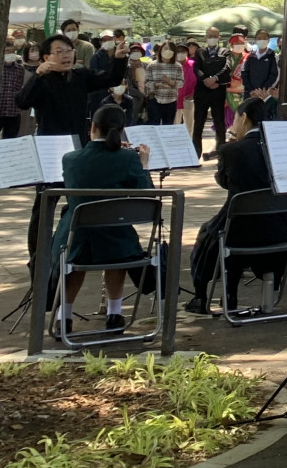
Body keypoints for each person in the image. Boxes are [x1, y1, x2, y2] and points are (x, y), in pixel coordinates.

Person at [51, 104, 154, 336]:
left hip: (77, 236)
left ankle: (64, 316)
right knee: (116, 242)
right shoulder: (128, 159)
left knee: (75, 255)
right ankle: (115, 313)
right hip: (118, 239)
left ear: (93, 127)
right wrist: (143, 163)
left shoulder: (71, 159)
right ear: (121, 130)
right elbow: (145, 193)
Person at [186, 97, 287, 314]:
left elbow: (226, 182)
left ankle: (204, 295)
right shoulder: (281, 147)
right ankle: (235, 296)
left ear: (243, 118)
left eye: (235, 119)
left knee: (210, 231)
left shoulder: (231, 150)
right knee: (230, 226)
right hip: (277, 228)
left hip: (239, 229)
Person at [18, 34, 125, 138]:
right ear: (46, 57)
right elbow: (22, 102)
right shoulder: (41, 80)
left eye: (69, 51)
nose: (66, 55)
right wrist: (37, 75)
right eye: (59, 51)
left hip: (78, 140)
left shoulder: (81, 76)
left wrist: (119, 59)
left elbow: (112, 80)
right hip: (50, 142)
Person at [188, 38, 230, 156]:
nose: (212, 38)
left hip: (218, 90)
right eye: (210, 35)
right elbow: (197, 68)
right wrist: (206, 80)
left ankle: (220, 152)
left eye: (214, 35)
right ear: (206, 37)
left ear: (219, 37)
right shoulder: (200, 52)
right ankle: (196, 153)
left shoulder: (225, 51)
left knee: (219, 123)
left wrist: (215, 79)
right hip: (202, 91)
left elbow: (226, 67)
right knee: (198, 123)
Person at [142, 43, 185, 125]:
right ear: (160, 50)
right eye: (165, 48)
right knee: (154, 125)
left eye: (170, 49)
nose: (167, 51)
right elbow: (147, 82)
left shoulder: (177, 66)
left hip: (171, 100)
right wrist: (157, 85)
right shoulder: (152, 65)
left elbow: (181, 83)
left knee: (168, 126)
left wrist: (170, 82)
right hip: (154, 99)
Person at [0, 43, 27, 139]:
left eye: (13, 51)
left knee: (10, 141)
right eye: (7, 51)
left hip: (13, 111)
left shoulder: (20, 69)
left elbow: (20, 86)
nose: (11, 54)